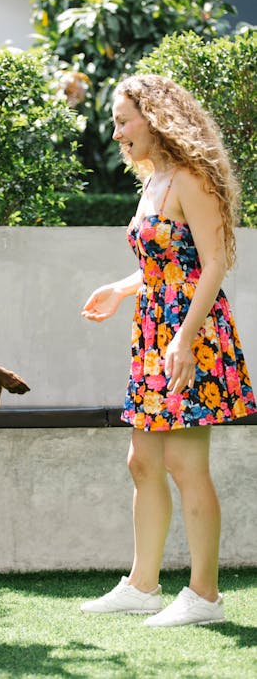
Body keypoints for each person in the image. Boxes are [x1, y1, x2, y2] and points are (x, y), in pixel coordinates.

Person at [80, 74, 256, 627]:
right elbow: (162, 264)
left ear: (156, 118)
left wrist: (184, 337)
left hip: (191, 336)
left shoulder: (191, 177)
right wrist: (121, 288)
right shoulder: (153, 180)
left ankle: (205, 597)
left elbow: (213, 264)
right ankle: (142, 585)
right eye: (115, 122)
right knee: (142, 461)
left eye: (124, 120)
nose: (117, 133)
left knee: (184, 463)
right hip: (155, 330)